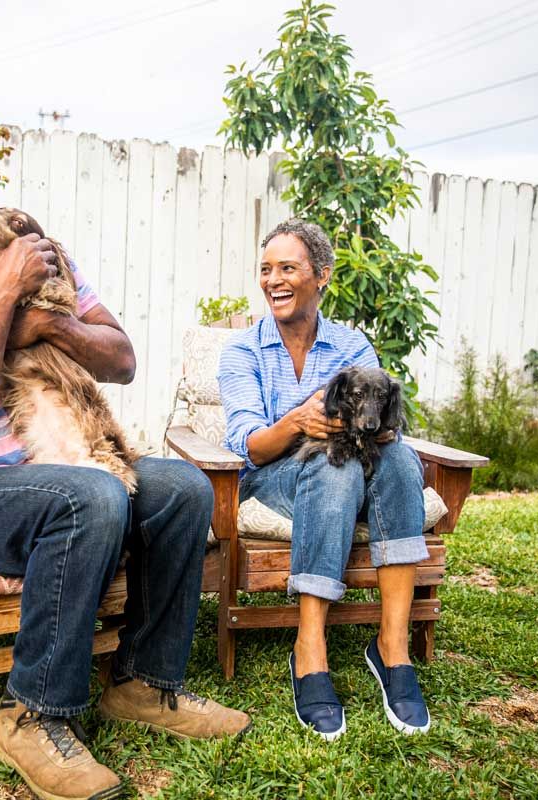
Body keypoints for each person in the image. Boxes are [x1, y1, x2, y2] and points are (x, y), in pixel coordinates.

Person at [0, 119, 250, 800]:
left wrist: (51, 322)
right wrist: (4, 297)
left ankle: (143, 686)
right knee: (88, 496)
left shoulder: (31, 254)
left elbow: (120, 358)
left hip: (62, 457)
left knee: (181, 487)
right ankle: (32, 715)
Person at [217, 219, 431, 741]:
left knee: (401, 461)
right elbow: (248, 444)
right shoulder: (243, 352)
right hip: (273, 477)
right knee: (332, 468)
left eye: (288, 268)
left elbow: (382, 423)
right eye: (266, 269)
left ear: (322, 276)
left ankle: (392, 647)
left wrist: (367, 427)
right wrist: (296, 422)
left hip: (357, 467)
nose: (274, 280)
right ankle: (309, 649)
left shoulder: (352, 346)